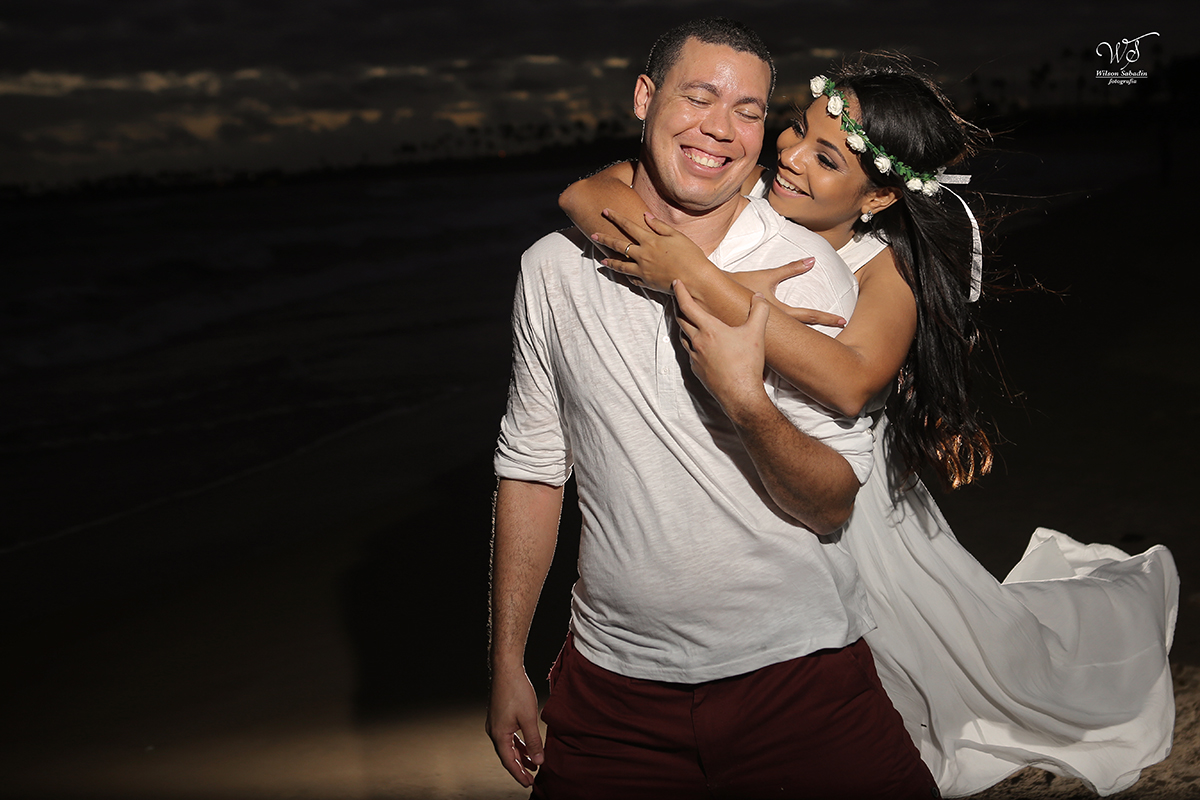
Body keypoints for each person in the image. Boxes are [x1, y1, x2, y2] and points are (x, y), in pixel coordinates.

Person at [561, 54, 1178, 797]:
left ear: (879, 194)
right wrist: (685, 261)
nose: (790, 155)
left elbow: (852, 383)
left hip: (849, 501)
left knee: (921, 663)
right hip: (747, 488)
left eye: (826, 158)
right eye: (796, 130)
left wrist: (697, 278)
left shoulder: (884, 269)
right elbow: (585, 193)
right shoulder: (747, 193)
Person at [488, 19, 941, 799]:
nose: (721, 130)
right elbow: (532, 469)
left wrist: (744, 399)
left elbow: (833, 499)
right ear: (644, 97)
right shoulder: (552, 269)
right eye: (698, 98)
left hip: (799, 672)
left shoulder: (810, 274)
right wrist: (507, 661)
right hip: (612, 690)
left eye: (748, 111)